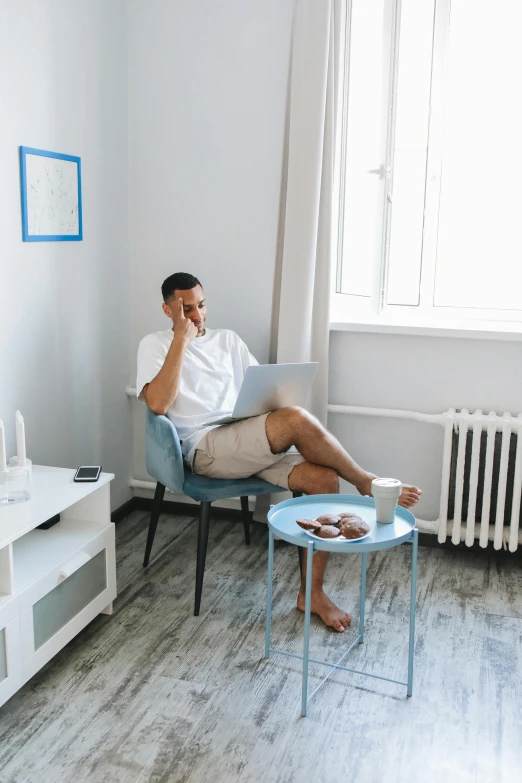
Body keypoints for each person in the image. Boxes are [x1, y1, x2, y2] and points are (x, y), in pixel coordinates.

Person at [137, 272, 422, 632]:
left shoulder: (228, 341)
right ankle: (366, 482)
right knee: (295, 420)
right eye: (186, 309)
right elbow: (159, 404)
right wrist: (181, 339)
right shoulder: (155, 344)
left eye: (202, 305)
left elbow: (263, 387)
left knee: (323, 478)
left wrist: (266, 409)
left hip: (242, 436)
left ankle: (312, 595)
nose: (197, 316)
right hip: (206, 448)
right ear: (168, 310)